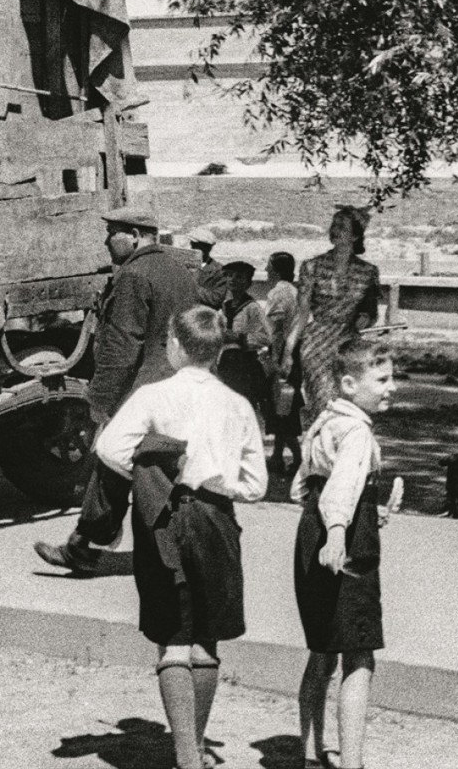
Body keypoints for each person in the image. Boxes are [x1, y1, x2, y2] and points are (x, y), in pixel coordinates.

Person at [95, 305, 268, 769]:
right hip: (217, 519)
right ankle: (196, 744)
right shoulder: (237, 404)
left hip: (164, 517)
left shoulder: (154, 396)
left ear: (174, 343)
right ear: (216, 352)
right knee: (206, 638)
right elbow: (256, 484)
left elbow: (109, 447)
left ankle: (186, 755)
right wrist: (220, 482)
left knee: (172, 634)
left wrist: (150, 472)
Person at [34, 205, 200, 574]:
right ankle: (89, 546)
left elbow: (121, 347)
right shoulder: (180, 273)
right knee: (149, 469)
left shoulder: (134, 275)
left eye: (113, 232)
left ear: (137, 236)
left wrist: (100, 402)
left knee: (113, 462)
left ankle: (89, 548)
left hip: (141, 391)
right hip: (180, 386)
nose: (107, 240)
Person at [291, 337, 399, 769]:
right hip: (344, 543)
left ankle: (308, 752)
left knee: (322, 649)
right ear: (350, 383)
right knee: (359, 654)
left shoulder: (328, 419)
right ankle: (351, 762)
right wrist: (339, 534)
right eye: (383, 378)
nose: (392, 387)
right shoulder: (356, 430)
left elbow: (305, 484)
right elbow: (340, 491)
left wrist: (370, 512)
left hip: (313, 531)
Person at [284, 206, 381, 426]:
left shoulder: (368, 272)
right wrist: (288, 352)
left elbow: (372, 312)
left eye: (342, 226)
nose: (335, 230)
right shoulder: (312, 267)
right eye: (333, 224)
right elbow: (302, 314)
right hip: (316, 344)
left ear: (355, 235)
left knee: (348, 404)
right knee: (322, 403)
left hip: (348, 343)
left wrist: (366, 317)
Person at [217, 257, 272, 414]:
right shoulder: (223, 308)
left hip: (244, 365)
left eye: (239, 277)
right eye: (229, 275)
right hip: (225, 363)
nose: (233, 280)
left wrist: (239, 337)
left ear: (248, 283)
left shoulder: (252, 307)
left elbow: (267, 337)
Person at [264, 251, 302, 473]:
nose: (267, 270)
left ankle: (298, 458)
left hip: (282, 354)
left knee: (283, 408)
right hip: (294, 353)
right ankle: (277, 456)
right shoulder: (296, 292)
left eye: (269, 266)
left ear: (276, 269)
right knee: (284, 407)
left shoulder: (278, 293)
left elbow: (275, 330)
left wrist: (276, 360)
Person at [189, 227, 227, 310]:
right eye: (193, 245)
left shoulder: (219, 271)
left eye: (200, 247)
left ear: (208, 248)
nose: (194, 248)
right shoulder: (184, 266)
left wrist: (192, 288)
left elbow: (216, 298)